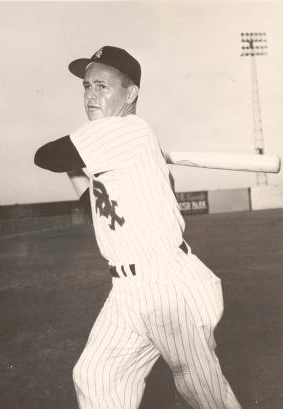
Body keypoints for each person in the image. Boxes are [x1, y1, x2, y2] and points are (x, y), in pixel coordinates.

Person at [34, 46, 241, 409]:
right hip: (128, 290)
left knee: (204, 392)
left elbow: (46, 155)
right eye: (86, 86)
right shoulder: (117, 150)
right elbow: (92, 204)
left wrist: (71, 159)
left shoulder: (127, 130)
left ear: (130, 94)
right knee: (96, 377)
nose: (91, 94)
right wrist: (75, 167)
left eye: (102, 85)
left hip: (167, 286)